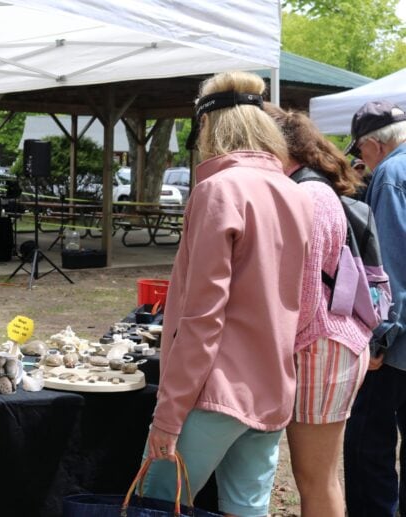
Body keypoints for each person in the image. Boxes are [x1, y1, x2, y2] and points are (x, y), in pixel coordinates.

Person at [142, 71, 314, 517]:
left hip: (213, 391)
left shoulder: (219, 189)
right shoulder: (294, 194)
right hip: (272, 387)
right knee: (247, 508)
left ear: (208, 126)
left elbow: (202, 315)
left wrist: (168, 413)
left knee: (160, 505)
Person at [265, 104, 371, 516]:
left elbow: (305, 298)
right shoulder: (313, 187)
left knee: (316, 480)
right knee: (319, 478)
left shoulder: (306, 193)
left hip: (321, 348)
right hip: (330, 344)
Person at [343, 100, 406, 516]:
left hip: (398, 345)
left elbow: (391, 269)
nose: (359, 161)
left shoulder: (390, 175)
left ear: (373, 144)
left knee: (368, 445)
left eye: (359, 151)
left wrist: (379, 341)